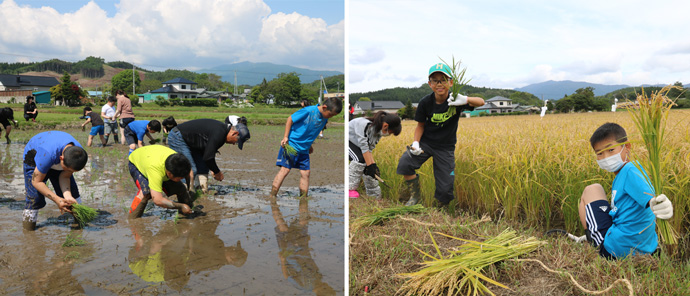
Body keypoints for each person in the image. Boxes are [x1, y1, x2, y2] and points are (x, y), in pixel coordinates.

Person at [577, 122, 673, 259]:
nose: (606, 158)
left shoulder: (629, 172)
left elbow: (651, 200)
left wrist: (659, 204)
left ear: (626, 147)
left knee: (592, 189)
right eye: (599, 153)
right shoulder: (634, 169)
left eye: (611, 150)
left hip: (615, 250)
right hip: (646, 249)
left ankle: (592, 239)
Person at [397, 63, 485, 206]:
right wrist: (416, 143)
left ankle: (440, 209)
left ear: (450, 82)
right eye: (435, 80)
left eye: (443, 80)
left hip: (445, 147)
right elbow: (420, 125)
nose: (439, 84)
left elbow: (481, 102)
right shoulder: (425, 102)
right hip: (426, 143)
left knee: (445, 189)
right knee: (405, 162)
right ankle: (414, 197)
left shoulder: (456, 100)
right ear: (429, 83)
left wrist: (465, 99)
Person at [270, 97, 342, 197]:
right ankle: (272, 195)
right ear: (325, 107)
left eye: (333, 116)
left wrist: (309, 145)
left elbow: (312, 131)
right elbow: (290, 119)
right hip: (292, 145)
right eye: (330, 114)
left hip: (304, 149)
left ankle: (303, 198)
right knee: (285, 170)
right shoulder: (309, 111)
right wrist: (285, 137)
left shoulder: (325, 119)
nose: (330, 117)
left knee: (306, 173)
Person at [22, 131, 89, 230]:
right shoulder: (47, 154)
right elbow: (36, 182)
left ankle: (80, 224)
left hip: (54, 155)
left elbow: (65, 176)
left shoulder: (78, 154)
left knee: (73, 194)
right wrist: (57, 200)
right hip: (34, 156)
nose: (68, 172)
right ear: (61, 158)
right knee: (34, 197)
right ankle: (28, 230)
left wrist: (67, 196)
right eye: (67, 169)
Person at [167, 117, 250, 193]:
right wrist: (217, 172)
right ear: (234, 133)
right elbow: (208, 157)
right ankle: (183, 193)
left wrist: (212, 168)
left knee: (203, 167)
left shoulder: (222, 132)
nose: (233, 144)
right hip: (178, 137)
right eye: (236, 141)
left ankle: (201, 191)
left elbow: (208, 154)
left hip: (193, 142)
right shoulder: (220, 133)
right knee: (190, 169)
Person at [127, 145, 194, 219]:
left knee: (180, 188)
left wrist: (190, 189)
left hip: (152, 155)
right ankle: (133, 219)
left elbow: (190, 172)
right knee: (146, 193)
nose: (182, 179)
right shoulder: (155, 171)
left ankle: (188, 212)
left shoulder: (179, 160)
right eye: (180, 178)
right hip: (137, 161)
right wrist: (180, 206)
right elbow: (157, 200)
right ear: (169, 174)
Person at [348, 111, 402, 198]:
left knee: (370, 170)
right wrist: (370, 165)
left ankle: (374, 195)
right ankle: (349, 189)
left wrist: (373, 166)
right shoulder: (364, 125)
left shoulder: (377, 134)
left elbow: (369, 150)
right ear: (385, 126)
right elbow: (364, 146)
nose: (389, 135)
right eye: (391, 132)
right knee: (360, 160)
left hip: (357, 145)